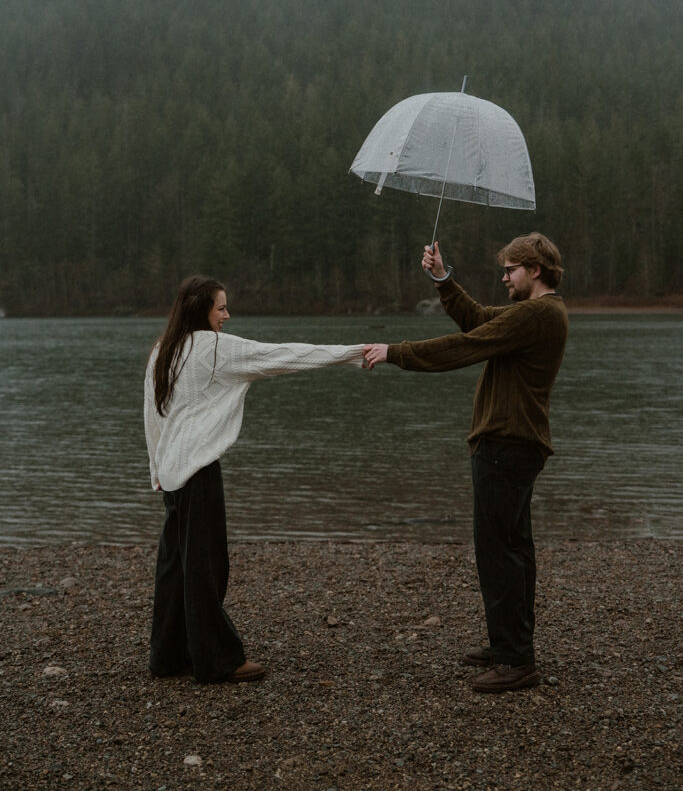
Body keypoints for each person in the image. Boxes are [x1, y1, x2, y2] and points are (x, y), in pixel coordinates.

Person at [363, 233, 568, 693]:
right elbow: (475, 321)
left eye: (510, 269)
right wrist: (442, 277)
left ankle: (516, 660)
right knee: (513, 550)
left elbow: (466, 346)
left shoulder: (537, 314)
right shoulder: (536, 314)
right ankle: (509, 646)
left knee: (499, 554)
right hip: (514, 445)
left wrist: (396, 353)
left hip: (506, 445)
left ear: (534, 270)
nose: (504, 277)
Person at [144, 274, 365, 684]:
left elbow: (153, 414)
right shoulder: (215, 349)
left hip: (172, 475)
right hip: (198, 472)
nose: (227, 315)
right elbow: (287, 355)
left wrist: (157, 470)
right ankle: (216, 660)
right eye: (221, 307)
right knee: (206, 569)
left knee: (174, 568)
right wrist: (353, 353)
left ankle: (167, 656)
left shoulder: (165, 349)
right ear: (201, 310)